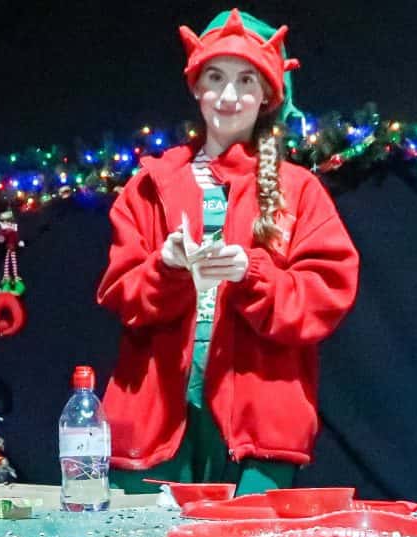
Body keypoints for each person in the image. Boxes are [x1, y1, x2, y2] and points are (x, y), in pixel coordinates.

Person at [96, 9, 359, 495]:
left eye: (245, 81)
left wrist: (253, 275)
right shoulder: (152, 185)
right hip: (156, 422)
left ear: (266, 96)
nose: (229, 96)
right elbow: (120, 292)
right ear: (196, 88)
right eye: (215, 78)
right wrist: (167, 268)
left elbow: (325, 295)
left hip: (256, 427)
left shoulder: (296, 189)